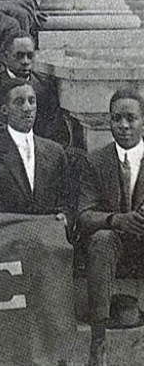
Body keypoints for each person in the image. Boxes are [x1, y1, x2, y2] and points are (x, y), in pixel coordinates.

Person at [78, 89, 144, 366]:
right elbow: (84, 214)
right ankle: (99, 339)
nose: (124, 126)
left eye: (131, 118)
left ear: (143, 120)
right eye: (117, 119)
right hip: (116, 245)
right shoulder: (96, 160)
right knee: (102, 239)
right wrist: (116, 220)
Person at [0, 78, 70, 215]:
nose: (27, 108)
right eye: (19, 102)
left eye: (32, 101)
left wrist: (64, 217)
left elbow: (66, 202)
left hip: (48, 232)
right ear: (4, 110)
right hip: (10, 234)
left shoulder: (55, 152)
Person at [0, 32, 68, 145]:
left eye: (30, 56)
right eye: (19, 56)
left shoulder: (44, 86)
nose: (25, 61)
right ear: (5, 57)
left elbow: (54, 129)